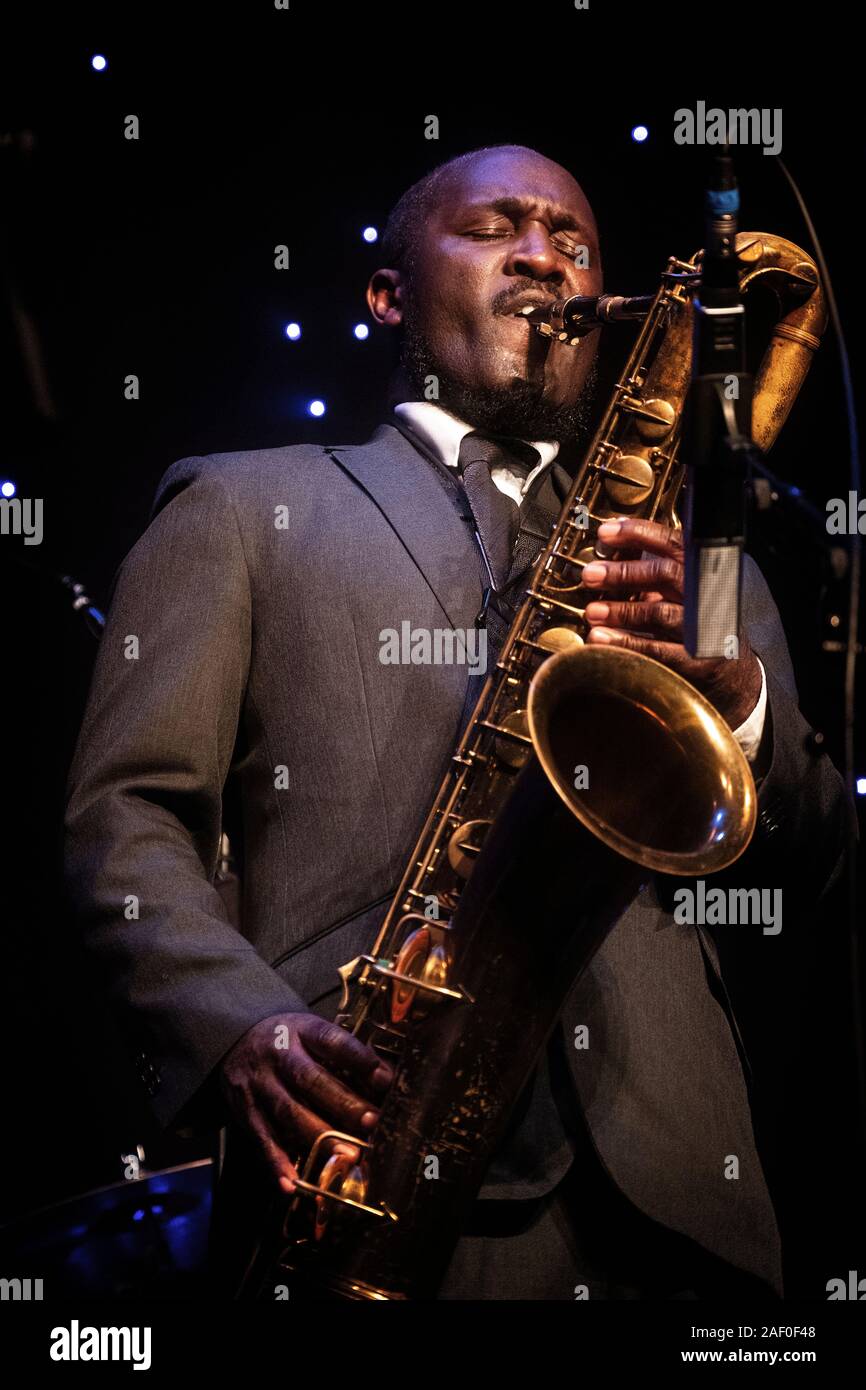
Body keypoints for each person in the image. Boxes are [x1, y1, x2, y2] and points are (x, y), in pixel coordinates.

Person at [64, 144, 849, 1300]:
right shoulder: (237, 502)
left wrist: (736, 697)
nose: (544, 258)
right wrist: (237, 1030)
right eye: (496, 230)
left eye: (574, 243)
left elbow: (815, 843)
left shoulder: (691, 542)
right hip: (368, 1166)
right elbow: (121, 821)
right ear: (388, 293)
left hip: (684, 1207)